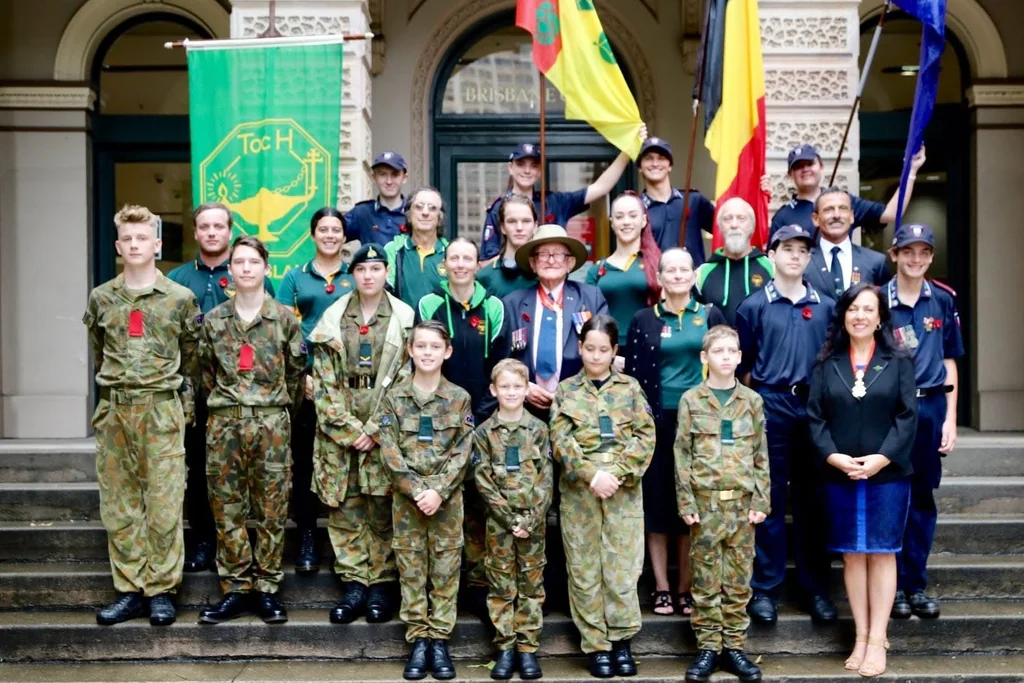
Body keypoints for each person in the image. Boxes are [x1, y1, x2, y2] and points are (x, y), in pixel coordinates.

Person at [83, 204, 200, 626]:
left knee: (165, 503)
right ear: (118, 246)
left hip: (160, 410)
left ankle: (162, 590)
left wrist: (180, 409)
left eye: (142, 238)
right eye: (127, 239)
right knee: (119, 504)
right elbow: (100, 346)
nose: (135, 245)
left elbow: (192, 357)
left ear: (157, 244)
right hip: (115, 411)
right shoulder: (102, 297)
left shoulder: (180, 299)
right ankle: (129, 589)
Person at [807, 282, 919, 679]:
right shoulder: (826, 362)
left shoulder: (899, 360)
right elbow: (815, 417)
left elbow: (908, 416)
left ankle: (878, 638)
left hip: (887, 473)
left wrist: (881, 458)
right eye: (853, 308)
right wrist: (834, 456)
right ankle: (860, 635)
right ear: (843, 315)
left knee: (883, 551)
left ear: (880, 317)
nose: (860, 315)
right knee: (853, 555)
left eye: (868, 309)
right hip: (840, 473)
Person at [197, 236, 306, 625]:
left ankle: (267, 588)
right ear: (230, 270)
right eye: (238, 262)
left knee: (273, 508)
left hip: (272, 424)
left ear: (265, 268)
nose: (245, 268)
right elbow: (205, 376)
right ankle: (236, 586)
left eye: (252, 262)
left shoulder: (284, 320)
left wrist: (273, 410)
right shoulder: (213, 321)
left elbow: (295, 378)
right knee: (227, 507)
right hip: (225, 422)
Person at [307, 243, 415, 625]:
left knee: (383, 509)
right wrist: (351, 429)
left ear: (387, 273)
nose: (369, 275)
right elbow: (323, 381)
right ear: (352, 275)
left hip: (384, 433)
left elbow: (408, 381)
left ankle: (382, 584)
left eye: (376, 268)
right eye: (361, 269)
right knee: (345, 508)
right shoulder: (334, 318)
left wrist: (374, 429)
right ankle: (354, 584)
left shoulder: (404, 318)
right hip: (342, 434)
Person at [735, 224, 837, 625]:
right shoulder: (754, 306)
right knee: (769, 500)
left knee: (814, 501)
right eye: (787, 248)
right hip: (770, 403)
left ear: (810, 258)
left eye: (802, 250)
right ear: (771, 254)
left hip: (812, 405)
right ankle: (766, 589)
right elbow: (744, 368)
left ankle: (815, 589)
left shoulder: (827, 306)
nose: (795, 256)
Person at [167, 201, 273, 573]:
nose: (212, 233)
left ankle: (251, 547)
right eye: (204, 227)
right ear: (195, 232)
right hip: (195, 391)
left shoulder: (250, 274)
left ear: (229, 232)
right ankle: (202, 539)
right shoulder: (178, 280)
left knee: (248, 476)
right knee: (200, 470)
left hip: (245, 396)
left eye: (218, 226)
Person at [550, 315, 656, 679]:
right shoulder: (566, 391)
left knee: (623, 568)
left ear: (614, 351)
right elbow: (560, 440)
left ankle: (622, 641)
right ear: (580, 348)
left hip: (622, 491)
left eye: (603, 350)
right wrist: (592, 474)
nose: (596, 356)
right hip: (581, 490)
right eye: (589, 348)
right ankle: (596, 645)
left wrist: (618, 473)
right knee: (583, 569)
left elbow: (646, 436)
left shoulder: (630, 389)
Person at [625, 248, 726, 618]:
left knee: (691, 503)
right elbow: (634, 378)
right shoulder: (643, 319)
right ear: (661, 277)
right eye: (671, 270)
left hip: (699, 421)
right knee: (657, 503)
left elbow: (724, 363)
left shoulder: (710, 315)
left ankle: (686, 587)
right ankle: (662, 588)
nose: (679, 275)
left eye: (685, 269)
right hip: (656, 421)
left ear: (694, 276)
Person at [417, 236, 510, 618]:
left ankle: (477, 584)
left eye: (467, 258)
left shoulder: (494, 307)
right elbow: (423, 361)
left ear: (477, 264)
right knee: (445, 502)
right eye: (453, 257)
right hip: (440, 422)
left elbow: (500, 367)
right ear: (444, 264)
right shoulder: (429, 304)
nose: (459, 264)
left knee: (479, 503)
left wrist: (480, 417)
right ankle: (443, 587)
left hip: (484, 419)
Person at [377, 321, 476, 681]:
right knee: (412, 569)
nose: (428, 352)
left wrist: (438, 490)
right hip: (408, 502)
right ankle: (418, 639)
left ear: (447, 352)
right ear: (410, 350)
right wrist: (417, 490)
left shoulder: (459, 398)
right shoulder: (394, 397)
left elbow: (464, 450)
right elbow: (388, 450)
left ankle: (440, 641)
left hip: (446, 502)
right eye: (421, 346)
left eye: (435, 346)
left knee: (446, 571)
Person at [676, 325, 769, 683]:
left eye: (732, 351)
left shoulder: (751, 401)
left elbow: (761, 454)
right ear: (705, 357)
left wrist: (762, 498)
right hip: (706, 504)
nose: (726, 357)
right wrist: (686, 499)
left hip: (742, 505)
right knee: (705, 580)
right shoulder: (691, 401)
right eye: (718, 352)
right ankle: (708, 648)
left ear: (740, 356)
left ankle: (734, 647)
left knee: (737, 582)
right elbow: (682, 453)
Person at [886, 224, 963, 621]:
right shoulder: (878, 300)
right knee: (891, 498)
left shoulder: (943, 301)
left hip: (931, 407)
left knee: (921, 500)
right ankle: (892, 587)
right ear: (894, 254)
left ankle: (915, 584)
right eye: (908, 252)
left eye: (924, 253)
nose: (916, 259)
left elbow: (950, 359)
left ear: (931, 257)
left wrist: (950, 419)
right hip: (889, 411)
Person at [276, 207, 355, 574]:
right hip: (306, 385)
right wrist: (302, 377)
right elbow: (283, 332)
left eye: (336, 229)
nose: (329, 235)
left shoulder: (355, 276)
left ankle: (349, 543)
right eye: (323, 229)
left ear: (344, 236)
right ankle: (307, 535)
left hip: (349, 388)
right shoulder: (295, 277)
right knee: (305, 462)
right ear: (312, 235)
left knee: (348, 463)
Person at [472, 359, 553, 680]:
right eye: (504, 386)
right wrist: (508, 519)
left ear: (527, 389)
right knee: (502, 586)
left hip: (533, 526)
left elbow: (546, 480)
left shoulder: (539, 430)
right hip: (499, 526)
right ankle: (505, 647)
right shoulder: (483, 433)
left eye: (517, 386)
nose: (510, 392)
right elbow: (482, 481)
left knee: (532, 586)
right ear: (493, 390)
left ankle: (527, 649)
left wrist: (530, 520)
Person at [479, 124, 646, 261]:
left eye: (534, 166)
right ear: (510, 167)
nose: (527, 171)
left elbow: (600, 188)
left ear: (540, 171)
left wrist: (629, 149)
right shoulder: (499, 208)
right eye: (521, 164)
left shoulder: (554, 201)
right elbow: (486, 261)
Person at [503, 225, 609, 414]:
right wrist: (523, 386)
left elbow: (602, 353)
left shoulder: (591, 297)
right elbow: (501, 360)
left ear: (570, 263)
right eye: (543, 254)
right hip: (524, 408)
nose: (551, 261)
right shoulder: (513, 303)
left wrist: (567, 393)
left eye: (559, 254)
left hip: (580, 406)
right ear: (533, 263)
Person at [767, 143, 927, 238]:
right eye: (798, 166)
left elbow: (891, 214)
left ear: (821, 167)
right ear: (790, 175)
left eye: (810, 164)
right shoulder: (783, 216)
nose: (805, 169)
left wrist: (911, 172)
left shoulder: (844, 202)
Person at [586, 191, 662, 371]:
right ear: (612, 222)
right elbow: (586, 319)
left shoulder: (660, 264)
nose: (626, 221)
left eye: (633, 215)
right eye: (619, 217)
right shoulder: (596, 270)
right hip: (606, 356)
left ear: (644, 220)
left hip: (651, 351)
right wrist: (610, 357)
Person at [693, 198, 774, 326]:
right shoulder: (702, 274)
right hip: (717, 345)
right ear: (719, 227)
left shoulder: (772, 268)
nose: (734, 225)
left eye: (741, 218)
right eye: (728, 219)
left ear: (752, 226)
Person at [637, 137, 715, 266]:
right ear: (640, 168)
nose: (655, 163)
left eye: (661, 158)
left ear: (670, 166)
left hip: (693, 283)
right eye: (648, 158)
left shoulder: (694, 200)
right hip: (654, 283)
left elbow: (726, 230)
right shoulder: (635, 209)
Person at [803, 188, 890, 299]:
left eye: (843, 208)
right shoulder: (803, 262)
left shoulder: (876, 262)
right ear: (815, 219)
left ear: (852, 216)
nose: (836, 215)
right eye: (829, 209)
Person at [385, 186, 450, 308]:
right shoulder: (393, 250)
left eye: (432, 208)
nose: (425, 213)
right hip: (404, 326)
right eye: (419, 207)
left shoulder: (451, 253)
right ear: (409, 215)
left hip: (442, 326)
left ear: (440, 218)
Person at [477, 195, 539, 299]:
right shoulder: (484, 276)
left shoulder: (545, 273)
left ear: (535, 226)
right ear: (502, 227)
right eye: (512, 221)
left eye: (526, 221)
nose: (519, 228)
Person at [345, 151, 408, 247]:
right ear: (374, 177)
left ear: (404, 178)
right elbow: (332, 236)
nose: (389, 181)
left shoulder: (415, 212)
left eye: (395, 174)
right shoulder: (362, 212)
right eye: (382, 174)